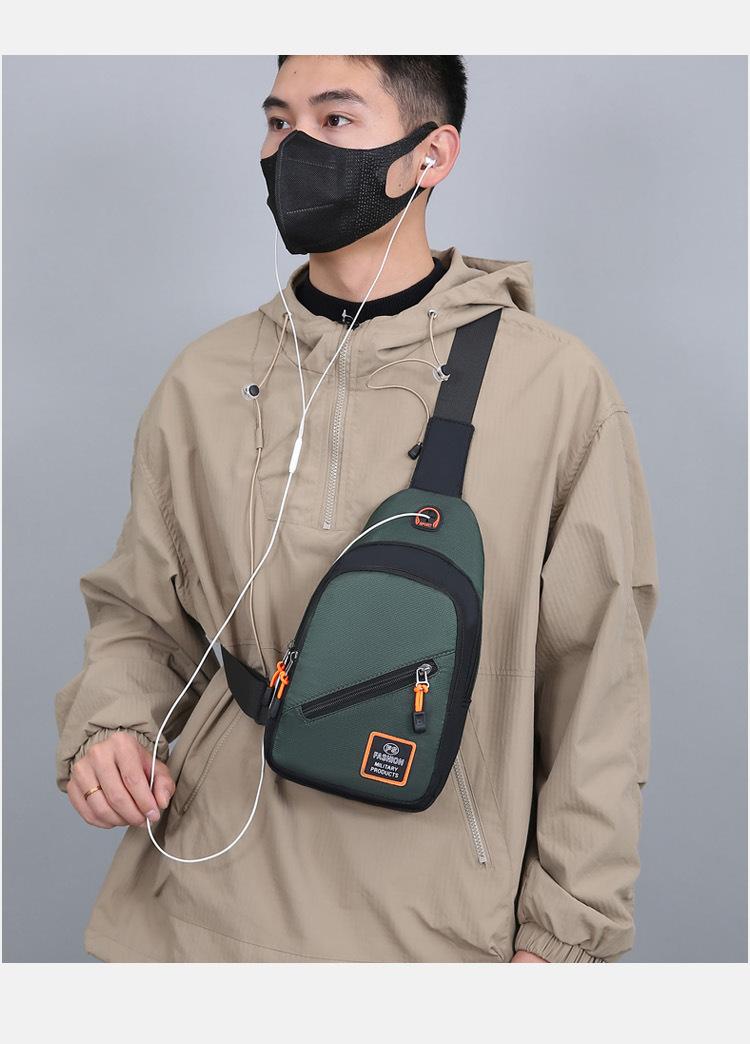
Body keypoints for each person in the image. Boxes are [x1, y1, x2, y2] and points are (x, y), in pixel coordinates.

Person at [54, 55, 659, 963]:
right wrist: (111, 727)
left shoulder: (554, 387)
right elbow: (144, 615)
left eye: (334, 120)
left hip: (436, 919)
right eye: (278, 121)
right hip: (201, 905)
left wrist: (566, 938)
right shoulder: (206, 377)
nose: (292, 148)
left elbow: (597, 685)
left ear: (431, 154)